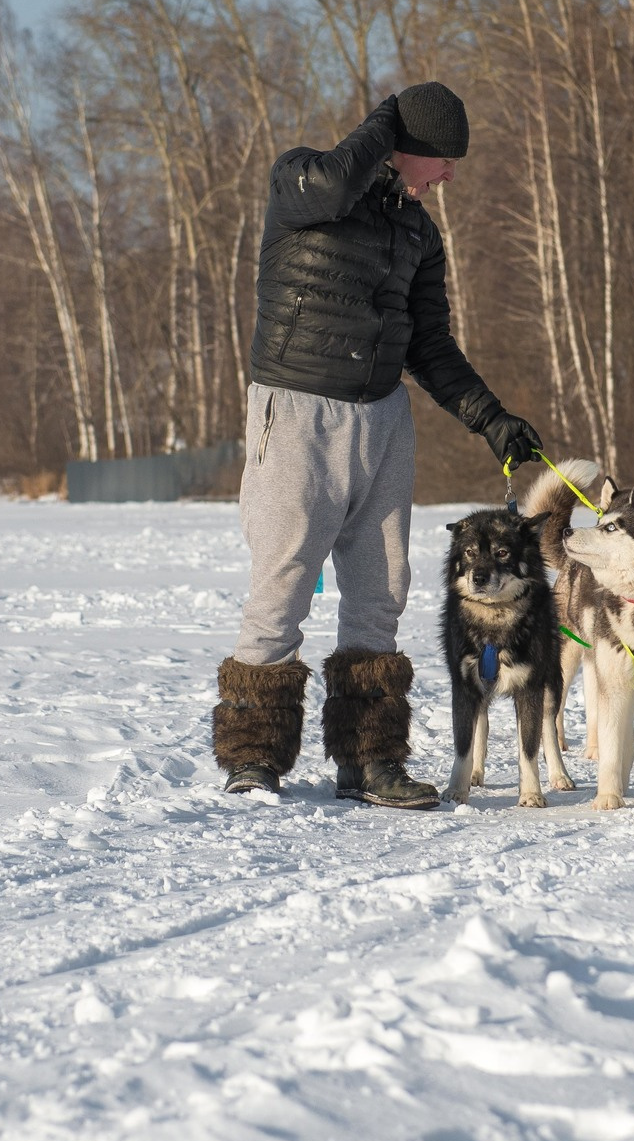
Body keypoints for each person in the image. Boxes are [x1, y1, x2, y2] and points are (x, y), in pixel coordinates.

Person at [213, 83, 541, 808]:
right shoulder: (301, 182)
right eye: (443, 159)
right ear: (403, 144)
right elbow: (335, 182)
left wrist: (493, 420)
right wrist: (384, 119)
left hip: (383, 419)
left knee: (381, 591)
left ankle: (370, 760)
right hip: (297, 411)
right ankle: (253, 757)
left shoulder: (418, 232)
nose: (451, 174)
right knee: (284, 578)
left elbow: (430, 345)